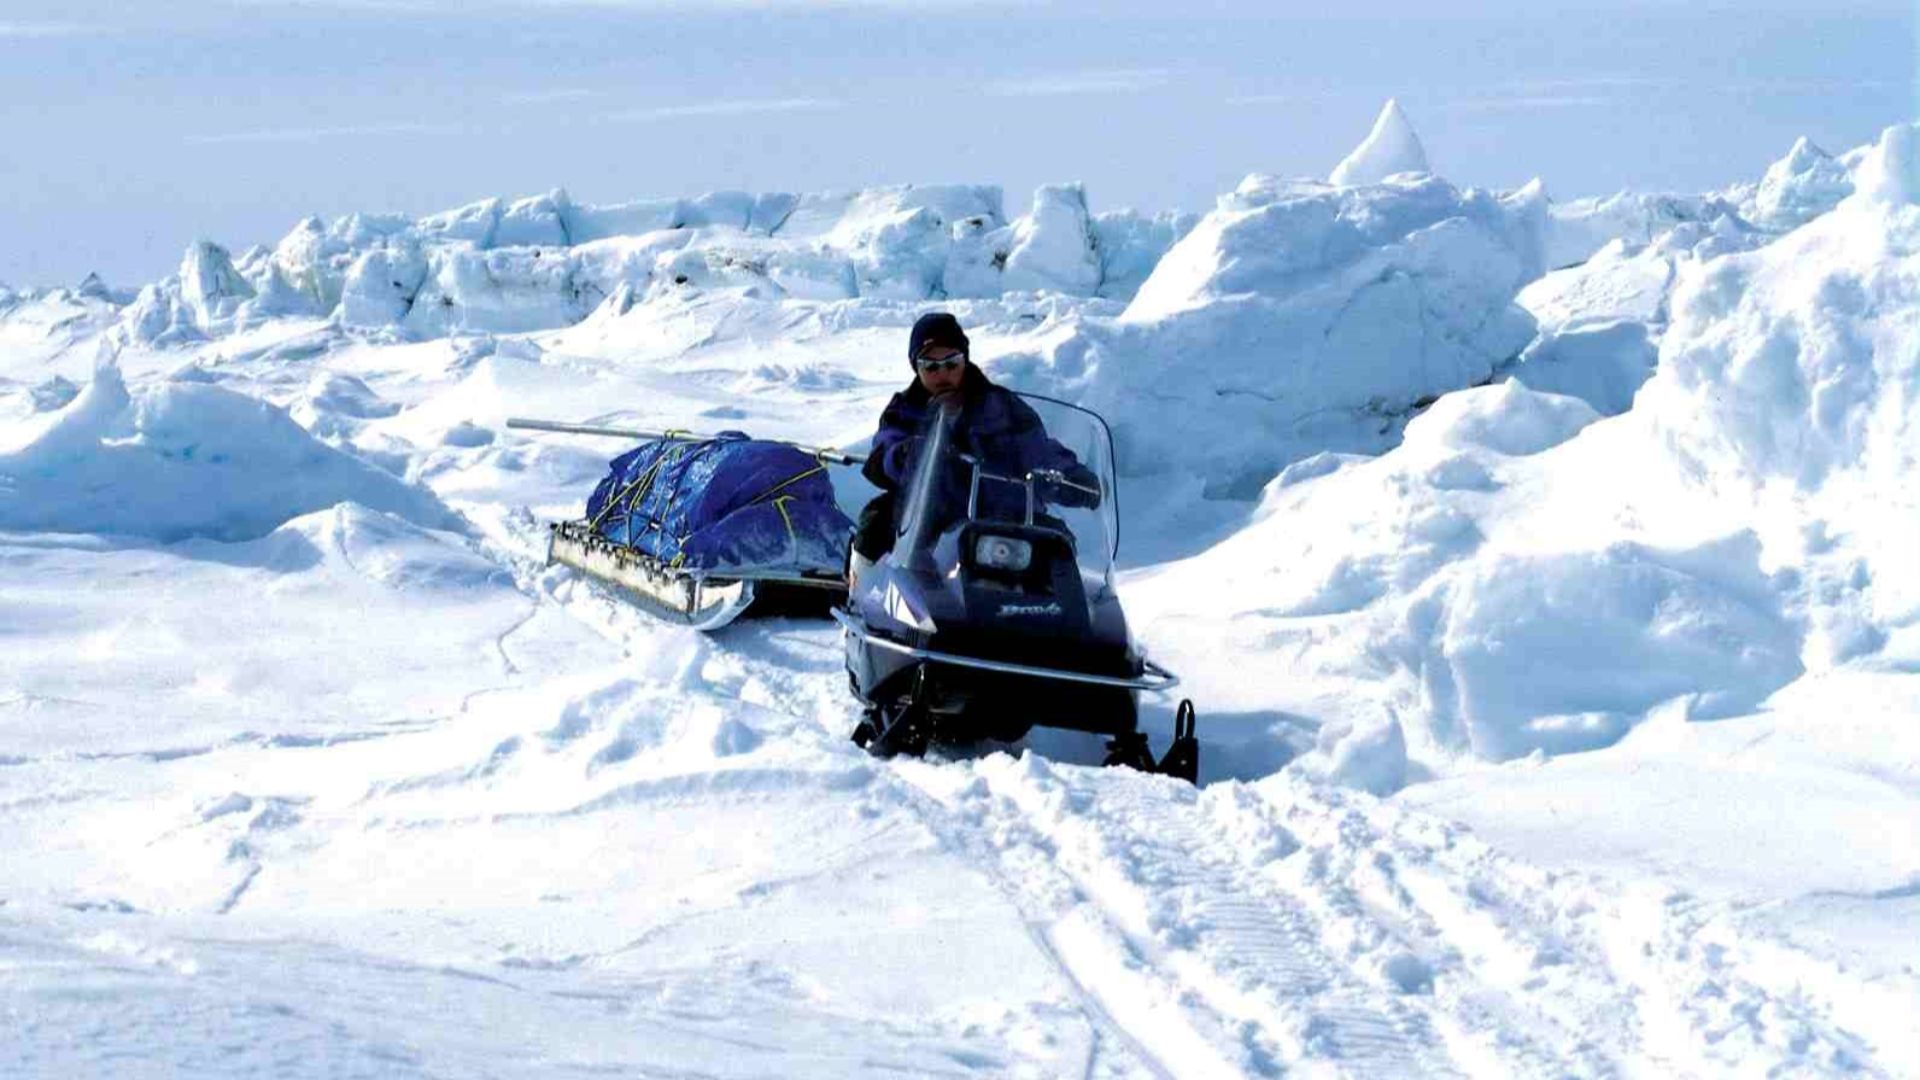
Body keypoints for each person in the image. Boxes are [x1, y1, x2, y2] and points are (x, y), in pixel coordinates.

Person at [849, 311, 1096, 583]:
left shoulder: (1003, 408)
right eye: (930, 366)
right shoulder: (905, 411)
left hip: (1003, 516)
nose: (942, 374)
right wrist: (903, 454)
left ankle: (1064, 619)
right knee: (877, 520)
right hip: (928, 516)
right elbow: (886, 448)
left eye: (951, 363)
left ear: (964, 360)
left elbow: (1037, 451)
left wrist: (1072, 478)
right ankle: (863, 597)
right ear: (916, 368)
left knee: (1056, 543)